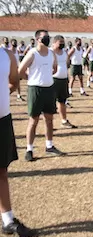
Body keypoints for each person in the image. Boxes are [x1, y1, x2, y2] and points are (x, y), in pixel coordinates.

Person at [0, 44, 36, 237]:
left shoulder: (7, 56)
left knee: (2, 171)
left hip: (2, 121)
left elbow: (14, 82)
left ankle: (7, 220)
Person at [18, 30, 64, 162]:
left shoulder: (51, 53)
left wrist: (47, 75)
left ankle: (49, 146)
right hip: (35, 90)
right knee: (34, 120)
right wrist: (31, 79)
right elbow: (20, 70)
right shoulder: (32, 53)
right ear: (38, 39)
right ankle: (29, 149)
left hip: (49, 88)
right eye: (45, 37)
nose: (47, 39)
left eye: (48, 37)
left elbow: (55, 68)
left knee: (49, 119)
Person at [52, 35, 76, 129]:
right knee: (51, 102)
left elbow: (66, 64)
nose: (62, 44)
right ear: (54, 43)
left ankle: (64, 121)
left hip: (63, 79)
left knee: (62, 101)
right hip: (53, 80)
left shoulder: (64, 52)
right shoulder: (50, 52)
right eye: (60, 42)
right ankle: (50, 123)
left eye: (63, 42)